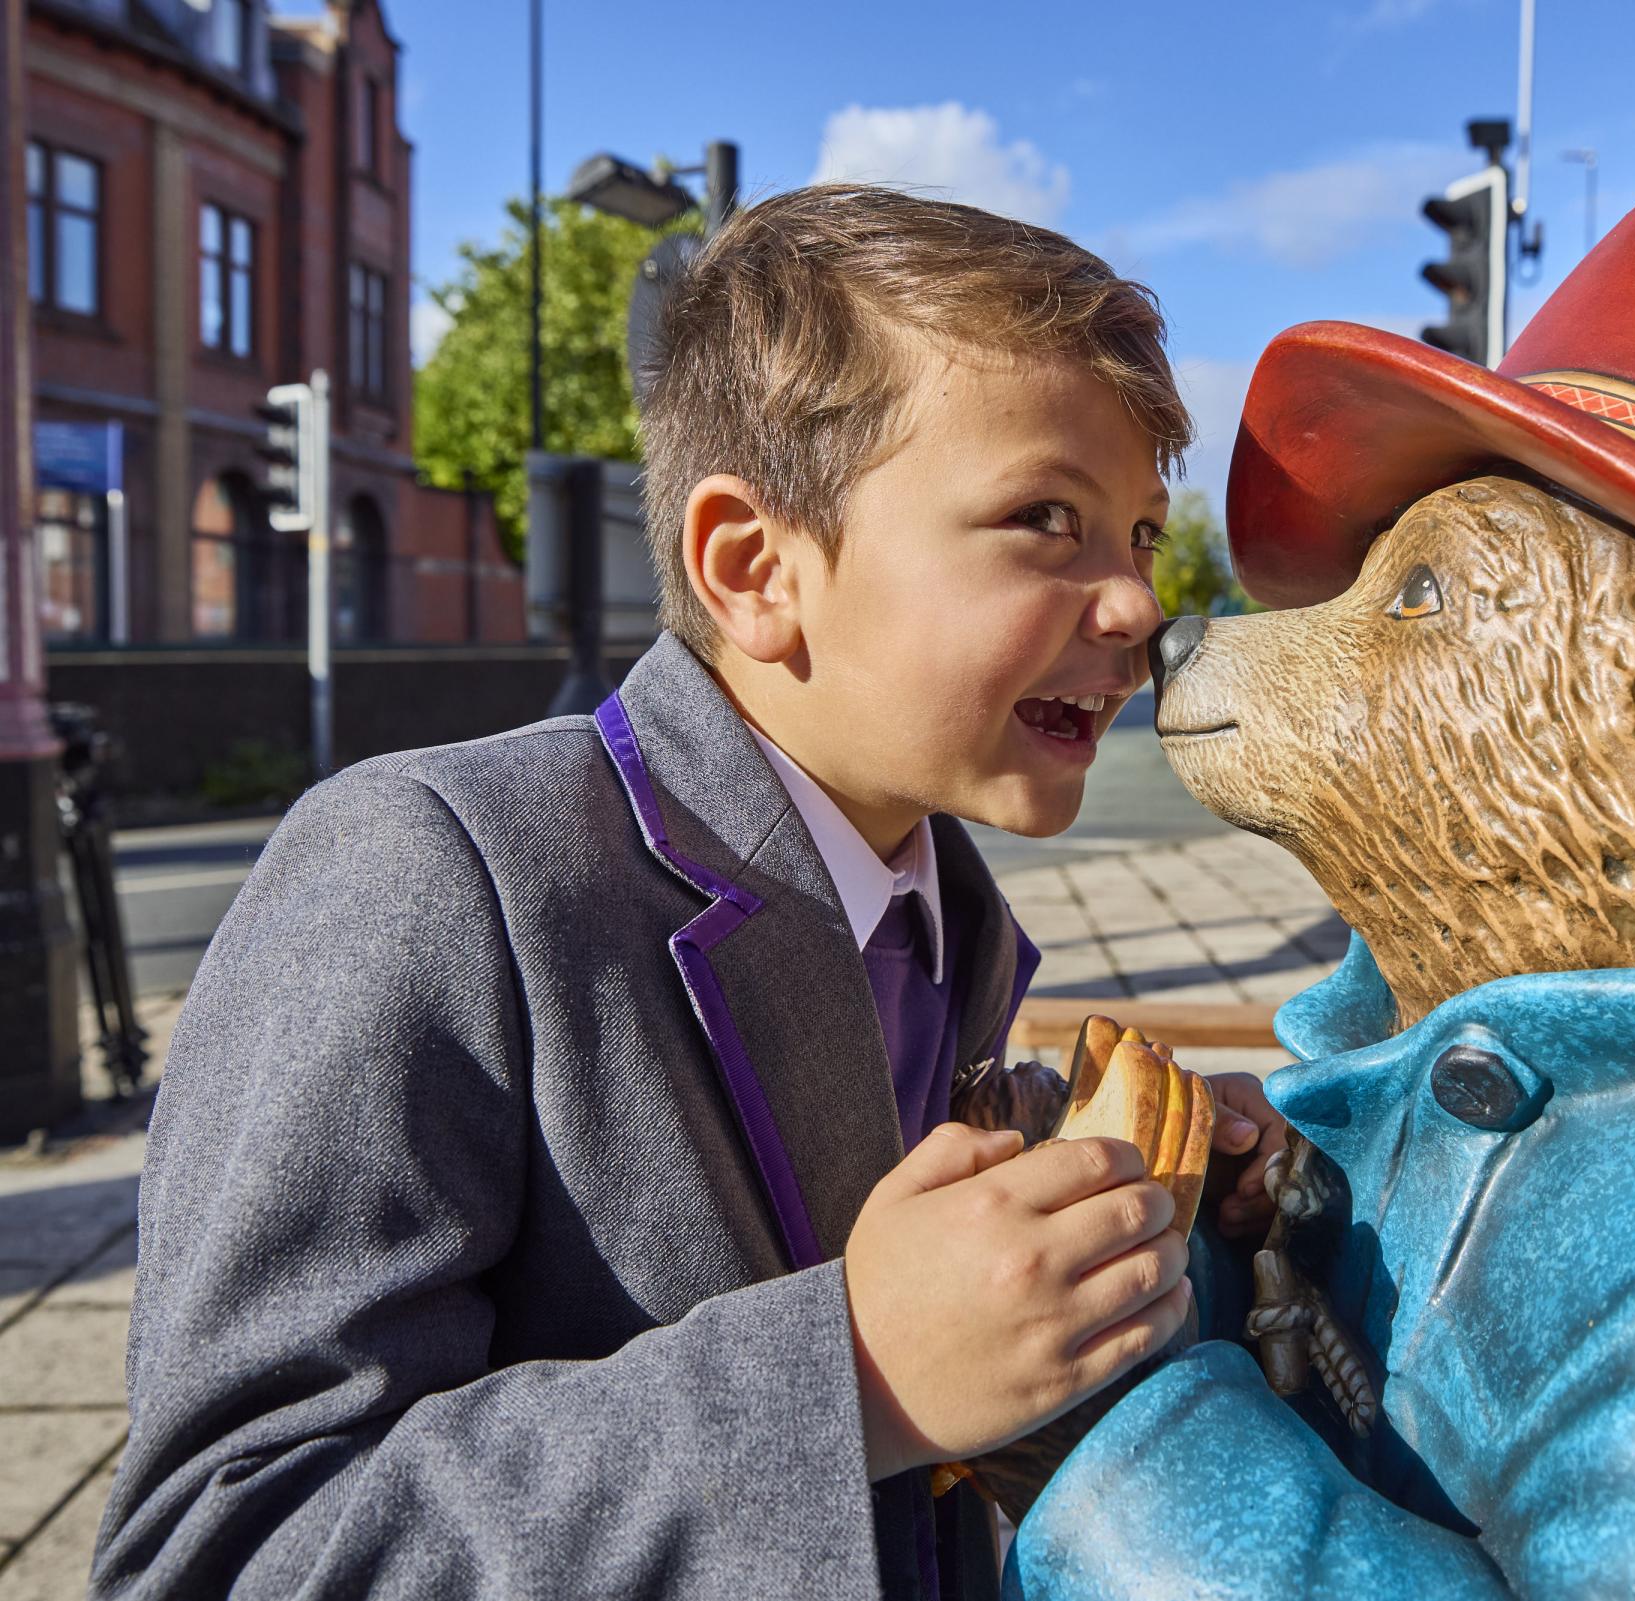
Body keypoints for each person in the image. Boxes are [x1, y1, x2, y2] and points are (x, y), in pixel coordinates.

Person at [93, 184, 1283, 1600]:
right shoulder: (425, 869)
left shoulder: (938, 920)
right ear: (754, 568)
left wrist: (1135, 1227)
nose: (1140, 603)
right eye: (1048, 517)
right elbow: (225, 1550)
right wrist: (852, 1374)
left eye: (1143, 534)